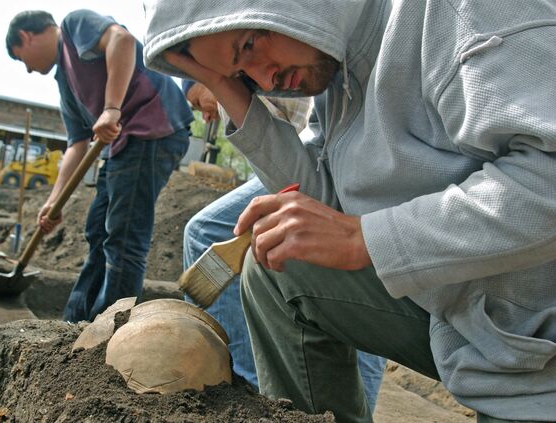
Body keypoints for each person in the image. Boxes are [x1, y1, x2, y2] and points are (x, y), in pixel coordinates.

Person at [143, 0, 556, 422]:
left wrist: (366, 239)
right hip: (467, 316)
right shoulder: (337, 74)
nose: (264, 78)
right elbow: (324, 204)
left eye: (249, 44)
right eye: (242, 74)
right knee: (280, 267)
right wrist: (227, 85)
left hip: (538, 337)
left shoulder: (456, 15)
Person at [182, 81, 386, 411]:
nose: (203, 116)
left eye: (196, 100)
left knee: (205, 232)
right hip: (331, 155)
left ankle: (247, 395)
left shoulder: (262, 79)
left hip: (339, 159)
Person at [6, 9, 193, 322]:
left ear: (25, 36)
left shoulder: (73, 25)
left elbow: (121, 39)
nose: (26, 69)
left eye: (20, 58)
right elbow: (77, 145)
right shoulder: (65, 79)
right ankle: (76, 321)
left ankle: (109, 328)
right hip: (122, 144)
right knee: (97, 229)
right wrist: (54, 201)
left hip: (151, 129)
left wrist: (110, 109)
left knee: (124, 235)